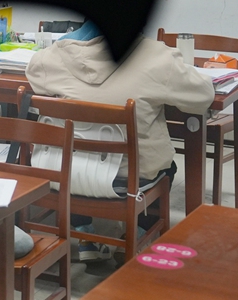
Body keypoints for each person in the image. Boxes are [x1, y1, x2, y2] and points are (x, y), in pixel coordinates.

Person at [26, 21, 214, 259]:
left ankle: (84, 232)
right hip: (129, 181)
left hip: (63, 175)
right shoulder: (158, 57)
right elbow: (203, 96)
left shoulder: (48, 58)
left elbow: (34, 80)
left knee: (78, 156)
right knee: (168, 168)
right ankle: (136, 234)